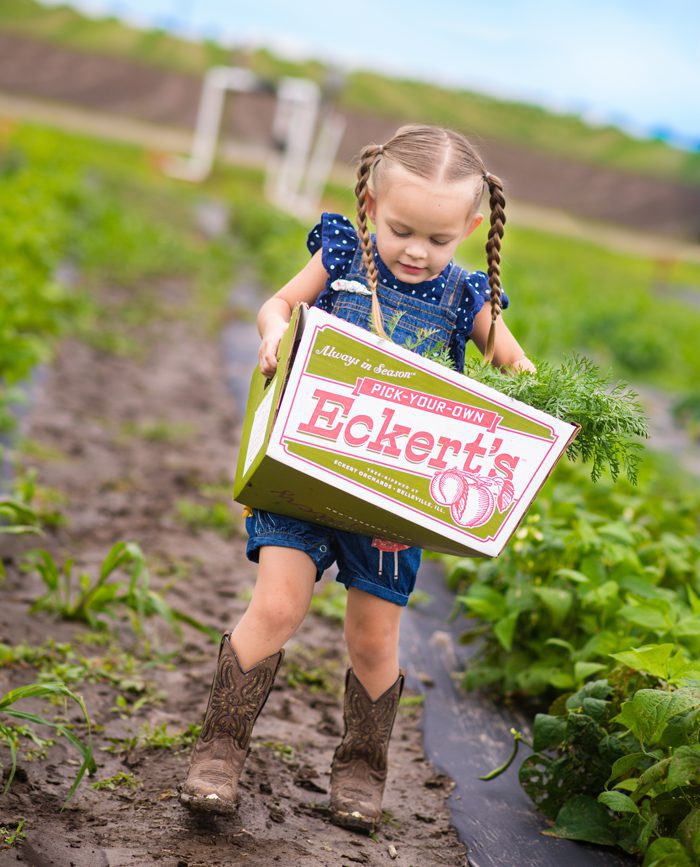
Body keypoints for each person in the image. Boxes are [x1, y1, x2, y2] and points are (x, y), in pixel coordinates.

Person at [179, 124, 535, 832]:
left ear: (468, 228)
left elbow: (520, 375)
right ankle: (219, 750)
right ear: (371, 203)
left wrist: (550, 412)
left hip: (394, 503)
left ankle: (362, 766)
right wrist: (275, 330)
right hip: (305, 473)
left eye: (438, 239)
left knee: (374, 639)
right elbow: (277, 304)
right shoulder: (343, 255)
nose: (416, 250)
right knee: (278, 605)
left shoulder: (467, 296)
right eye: (402, 229)